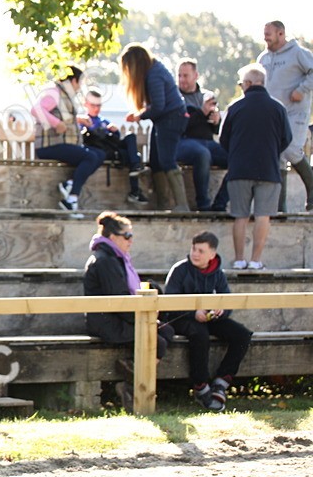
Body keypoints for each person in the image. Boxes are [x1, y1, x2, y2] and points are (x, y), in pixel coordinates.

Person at [82, 211, 173, 411]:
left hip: (117, 318)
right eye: (128, 236)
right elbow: (119, 301)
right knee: (156, 340)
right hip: (106, 323)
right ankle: (134, 389)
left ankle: (131, 370)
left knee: (166, 330)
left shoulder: (115, 257)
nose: (131, 241)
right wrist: (144, 321)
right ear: (113, 237)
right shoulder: (105, 260)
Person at [163, 231, 253, 411]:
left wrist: (221, 311)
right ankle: (200, 385)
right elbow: (169, 303)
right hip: (180, 318)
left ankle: (222, 381)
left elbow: (227, 301)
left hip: (208, 318)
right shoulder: (180, 270)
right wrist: (193, 313)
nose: (195, 254)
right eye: (193, 249)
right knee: (199, 334)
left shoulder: (218, 273)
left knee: (242, 335)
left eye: (201, 251)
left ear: (212, 254)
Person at [220, 64, 292, 270]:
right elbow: (286, 138)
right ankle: (256, 260)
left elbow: (224, 139)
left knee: (240, 216)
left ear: (249, 83)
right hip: (269, 169)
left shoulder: (235, 108)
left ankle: (239, 258)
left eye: (242, 83)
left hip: (240, 170)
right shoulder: (278, 108)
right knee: (263, 216)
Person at [121, 44, 191, 211]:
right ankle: (163, 204)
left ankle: (182, 205)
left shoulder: (154, 75)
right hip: (165, 119)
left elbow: (159, 106)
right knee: (156, 162)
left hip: (171, 119)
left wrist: (140, 115)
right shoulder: (155, 69)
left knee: (167, 160)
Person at [31, 64, 103, 212]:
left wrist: (79, 120)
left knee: (100, 155)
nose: (80, 87)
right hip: (49, 145)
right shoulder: (54, 92)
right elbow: (36, 109)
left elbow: (62, 115)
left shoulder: (64, 95)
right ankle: (71, 198)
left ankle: (70, 184)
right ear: (74, 81)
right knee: (89, 157)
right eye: (80, 82)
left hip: (62, 143)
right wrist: (56, 124)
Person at [258, 20, 313, 213]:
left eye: (269, 34)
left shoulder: (298, 53)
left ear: (281, 34)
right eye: (264, 34)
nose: (265, 37)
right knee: (277, 155)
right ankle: (279, 207)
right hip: (274, 115)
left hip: (295, 111)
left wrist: (302, 89)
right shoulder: (263, 58)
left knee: (291, 149)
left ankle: (312, 187)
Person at [80, 89, 150, 205]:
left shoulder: (104, 121)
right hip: (99, 150)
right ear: (86, 104)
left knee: (131, 139)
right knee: (133, 158)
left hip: (113, 148)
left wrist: (114, 132)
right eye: (93, 105)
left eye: (99, 105)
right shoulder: (83, 120)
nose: (96, 108)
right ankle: (135, 189)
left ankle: (135, 170)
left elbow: (115, 139)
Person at [175, 59, 228, 211]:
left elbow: (214, 130)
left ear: (196, 75)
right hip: (183, 141)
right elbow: (180, 126)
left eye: (185, 75)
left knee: (237, 157)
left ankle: (220, 203)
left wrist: (216, 120)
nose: (182, 80)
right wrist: (201, 113)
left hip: (206, 141)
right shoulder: (175, 97)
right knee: (202, 154)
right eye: (179, 76)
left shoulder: (207, 96)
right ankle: (203, 204)